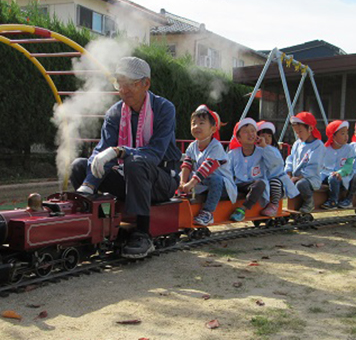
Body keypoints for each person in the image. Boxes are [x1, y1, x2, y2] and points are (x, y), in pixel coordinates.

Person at [70, 57, 182, 259]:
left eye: (130, 84)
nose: (123, 89)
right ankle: (96, 227)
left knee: (136, 162)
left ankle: (142, 234)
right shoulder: (115, 113)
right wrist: (88, 183)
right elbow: (103, 149)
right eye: (119, 83)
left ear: (146, 83)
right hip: (129, 175)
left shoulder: (164, 109)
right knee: (79, 166)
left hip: (161, 180)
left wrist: (120, 151)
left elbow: (155, 153)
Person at [179, 105, 237, 226]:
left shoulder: (216, 146)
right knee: (177, 174)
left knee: (215, 179)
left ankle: (208, 212)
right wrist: (182, 182)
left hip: (222, 186)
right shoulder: (192, 146)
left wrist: (190, 184)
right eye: (193, 123)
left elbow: (207, 167)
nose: (196, 126)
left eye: (201, 123)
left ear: (213, 129)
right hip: (202, 182)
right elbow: (187, 165)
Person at [228, 118, 269, 222]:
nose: (250, 134)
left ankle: (243, 209)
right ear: (238, 137)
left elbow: (276, 163)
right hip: (237, 184)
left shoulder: (263, 152)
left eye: (253, 131)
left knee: (260, 184)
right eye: (245, 132)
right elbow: (227, 172)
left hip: (254, 184)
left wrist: (266, 147)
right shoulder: (233, 154)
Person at [284, 112, 325, 213]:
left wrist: (299, 177)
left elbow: (314, 166)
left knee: (301, 184)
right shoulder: (297, 143)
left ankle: (309, 202)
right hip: (295, 177)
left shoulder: (318, 145)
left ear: (310, 129)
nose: (298, 135)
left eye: (300, 132)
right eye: (296, 132)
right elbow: (291, 158)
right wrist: (288, 172)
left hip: (311, 178)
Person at [256, 121, 299, 216]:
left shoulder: (273, 150)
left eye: (269, 136)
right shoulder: (255, 150)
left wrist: (265, 148)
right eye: (263, 136)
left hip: (275, 178)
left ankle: (274, 205)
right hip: (262, 179)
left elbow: (275, 162)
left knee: (275, 183)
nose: (266, 139)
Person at [320, 120, 355, 210]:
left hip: (341, 176)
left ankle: (333, 201)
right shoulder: (325, 148)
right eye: (342, 134)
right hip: (325, 173)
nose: (346, 136)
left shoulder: (349, 149)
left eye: (346, 133)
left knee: (333, 178)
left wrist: (341, 172)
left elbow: (348, 166)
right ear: (333, 135)